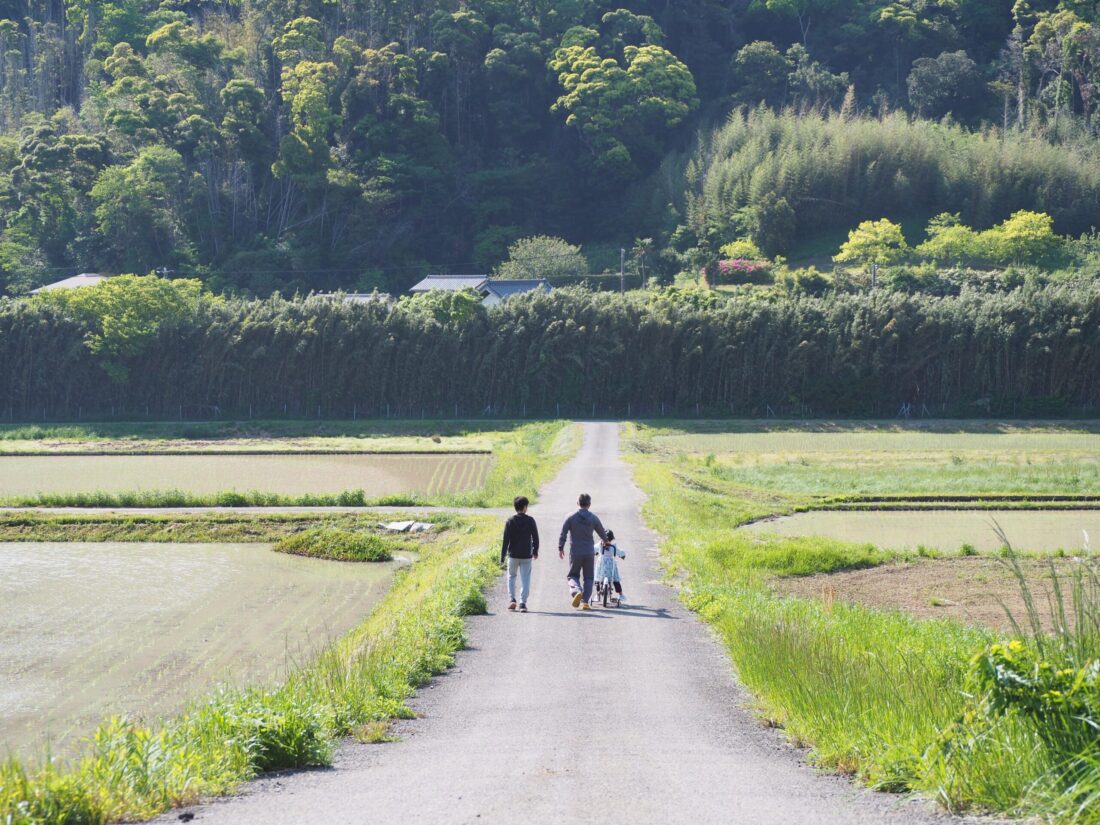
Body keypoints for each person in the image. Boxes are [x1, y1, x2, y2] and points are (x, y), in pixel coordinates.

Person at [558, 493, 606, 610]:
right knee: (588, 577)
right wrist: (606, 541)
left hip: (576, 551)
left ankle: (577, 591)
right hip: (589, 551)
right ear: (589, 504)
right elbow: (602, 532)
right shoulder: (593, 518)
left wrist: (561, 547)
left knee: (573, 575)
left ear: (577, 503)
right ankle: (585, 602)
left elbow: (563, 533)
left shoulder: (570, 517)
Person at [501, 495, 539, 612]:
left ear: (515, 507)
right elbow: (535, 537)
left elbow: (505, 540)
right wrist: (535, 550)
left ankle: (512, 599)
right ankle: (523, 603)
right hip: (526, 555)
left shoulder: (510, 521)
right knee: (525, 579)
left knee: (511, 577)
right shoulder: (530, 520)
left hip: (513, 555)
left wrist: (502, 556)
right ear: (525, 507)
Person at [595, 529, 626, 603]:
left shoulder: (600, 544)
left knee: (598, 578)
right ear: (612, 539)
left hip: (601, 566)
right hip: (611, 567)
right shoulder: (613, 546)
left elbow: (594, 549)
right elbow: (620, 552)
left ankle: (597, 594)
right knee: (615, 579)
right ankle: (621, 594)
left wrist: (595, 552)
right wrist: (622, 555)